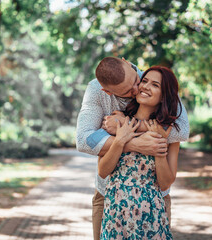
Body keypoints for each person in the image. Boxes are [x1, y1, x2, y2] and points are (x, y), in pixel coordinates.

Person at [76, 57, 189, 240]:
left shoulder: (163, 127)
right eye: (130, 89)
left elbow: (182, 132)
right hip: (113, 207)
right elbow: (85, 143)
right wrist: (129, 141)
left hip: (152, 210)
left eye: (138, 80)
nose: (139, 88)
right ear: (107, 92)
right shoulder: (115, 119)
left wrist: (153, 144)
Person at [99, 66, 182, 239]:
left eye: (155, 85)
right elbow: (103, 171)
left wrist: (158, 149)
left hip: (150, 216)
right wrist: (121, 140)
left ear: (164, 96)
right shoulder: (117, 121)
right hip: (116, 213)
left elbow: (166, 183)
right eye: (144, 81)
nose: (145, 86)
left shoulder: (168, 132)